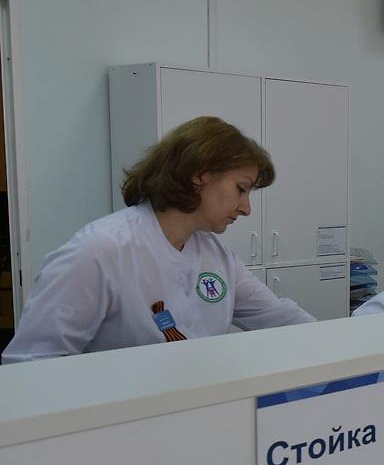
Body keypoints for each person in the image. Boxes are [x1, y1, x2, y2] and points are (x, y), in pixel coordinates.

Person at [2, 116, 314, 363]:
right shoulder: (99, 250)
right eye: (241, 189)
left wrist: (337, 340)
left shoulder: (215, 254)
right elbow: (33, 362)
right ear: (200, 175)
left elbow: (278, 316)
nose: (246, 208)